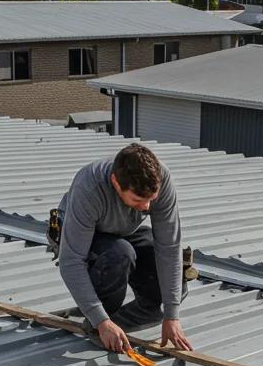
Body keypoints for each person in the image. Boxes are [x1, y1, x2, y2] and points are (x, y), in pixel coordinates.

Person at [56, 143, 193, 354]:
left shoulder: (161, 180)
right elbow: (71, 261)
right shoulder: (89, 188)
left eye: (151, 199)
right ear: (116, 183)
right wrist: (100, 319)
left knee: (174, 287)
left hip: (123, 230)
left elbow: (169, 248)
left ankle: (116, 324)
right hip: (84, 236)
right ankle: (99, 325)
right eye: (138, 199)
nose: (147, 207)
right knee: (120, 254)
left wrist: (171, 316)